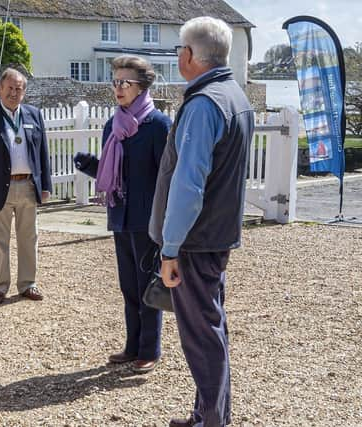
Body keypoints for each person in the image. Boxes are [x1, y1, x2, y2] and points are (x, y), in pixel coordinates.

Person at [149, 17, 255, 427]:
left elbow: (188, 185)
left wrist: (170, 248)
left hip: (194, 240)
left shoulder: (204, 103)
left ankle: (212, 421)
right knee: (211, 327)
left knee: (202, 337)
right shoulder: (234, 96)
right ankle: (208, 415)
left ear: (190, 55)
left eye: (179, 48)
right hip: (216, 234)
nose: (178, 54)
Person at [73, 55, 170, 373]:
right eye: (115, 81)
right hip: (120, 216)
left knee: (147, 286)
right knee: (128, 286)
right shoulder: (111, 126)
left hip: (147, 220)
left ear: (141, 86)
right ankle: (132, 346)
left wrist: (165, 222)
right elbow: (111, 174)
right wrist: (89, 165)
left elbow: (164, 177)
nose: (118, 87)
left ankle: (149, 349)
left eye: (124, 82)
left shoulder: (158, 126)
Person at [0, 67, 52, 305]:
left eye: (19, 89)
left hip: (27, 185)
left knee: (29, 237)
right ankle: (0, 287)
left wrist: (45, 185)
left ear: (24, 92)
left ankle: (28, 284)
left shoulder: (34, 115)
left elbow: (42, 152)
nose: (14, 93)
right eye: (10, 88)